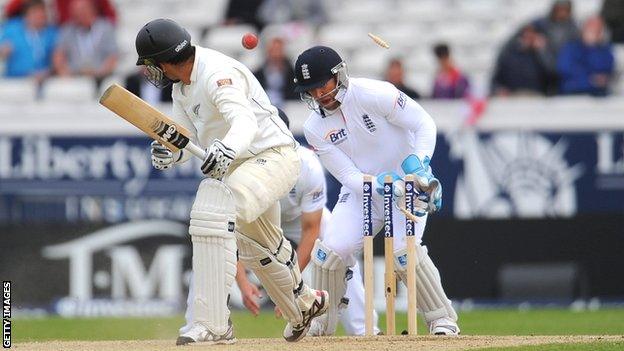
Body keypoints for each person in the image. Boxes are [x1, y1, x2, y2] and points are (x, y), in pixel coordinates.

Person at [135, 18, 328, 345]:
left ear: (166, 61)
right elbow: (186, 140)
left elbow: (243, 123)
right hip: (239, 168)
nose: (149, 72)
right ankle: (304, 304)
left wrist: (226, 148)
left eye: (151, 64)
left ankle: (213, 324)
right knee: (259, 249)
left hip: (272, 156)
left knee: (214, 212)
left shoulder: (216, 73)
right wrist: (173, 154)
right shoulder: (182, 88)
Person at [293, 45, 459, 336]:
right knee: (331, 251)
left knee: (402, 254)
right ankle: (320, 324)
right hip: (364, 192)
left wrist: (419, 166)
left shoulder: (374, 93)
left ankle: (442, 320)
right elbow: (346, 175)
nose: (319, 95)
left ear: (339, 75)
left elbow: (423, 123)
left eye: (323, 85)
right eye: (311, 90)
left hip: (407, 188)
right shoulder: (313, 127)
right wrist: (379, 184)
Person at [217, 110, 381, 336]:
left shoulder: (307, 165)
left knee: (340, 250)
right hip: (259, 220)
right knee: (210, 245)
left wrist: (291, 290)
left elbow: (310, 228)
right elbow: (231, 236)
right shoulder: (237, 169)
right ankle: (208, 327)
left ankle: (364, 330)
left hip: (301, 217)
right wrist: (243, 284)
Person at [52, 0, 117, 82]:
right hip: (74, 77)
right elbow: (58, 55)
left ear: (91, 10)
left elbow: (113, 56)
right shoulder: (67, 30)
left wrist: (100, 73)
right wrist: (65, 72)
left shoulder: (105, 28)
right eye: (76, 12)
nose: (79, 15)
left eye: (82, 11)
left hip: (100, 77)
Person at [557, 16, 615, 96]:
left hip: (599, 95)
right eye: (592, 28)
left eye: (598, 29)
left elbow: (607, 70)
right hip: (573, 94)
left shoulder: (605, 50)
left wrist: (593, 47)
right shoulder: (571, 47)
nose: (595, 32)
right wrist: (590, 80)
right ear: (584, 29)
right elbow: (565, 69)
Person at [0, 0, 57, 80]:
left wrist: (47, 72)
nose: (39, 16)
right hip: (15, 81)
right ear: (26, 15)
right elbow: (2, 49)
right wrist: (3, 50)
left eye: (41, 13)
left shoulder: (51, 33)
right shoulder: (12, 29)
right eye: (35, 13)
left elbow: (57, 60)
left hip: (43, 82)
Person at [491, 24, 553, 96]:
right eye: (526, 35)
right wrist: (499, 89)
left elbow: (552, 74)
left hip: (537, 96)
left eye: (532, 36)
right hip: (514, 96)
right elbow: (496, 80)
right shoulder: (509, 54)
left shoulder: (543, 54)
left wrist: (542, 52)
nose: (529, 38)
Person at [253, 37, 298, 109]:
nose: (275, 54)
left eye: (278, 50)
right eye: (273, 50)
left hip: (288, 105)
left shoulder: (293, 73)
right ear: (268, 51)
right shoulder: (259, 73)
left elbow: (295, 93)